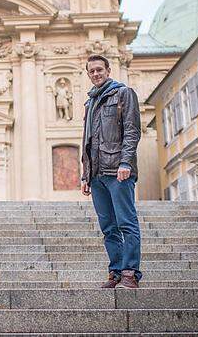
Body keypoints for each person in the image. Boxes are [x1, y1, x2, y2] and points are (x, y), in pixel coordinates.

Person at [80, 55, 142, 289]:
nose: (96, 74)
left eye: (99, 70)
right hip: (97, 175)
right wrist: (86, 174)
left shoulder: (123, 93)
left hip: (118, 170)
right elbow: (87, 140)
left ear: (108, 70)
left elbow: (132, 131)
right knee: (108, 227)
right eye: (91, 71)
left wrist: (125, 163)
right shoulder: (90, 102)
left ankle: (130, 272)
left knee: (126, 222)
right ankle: (115, 272)